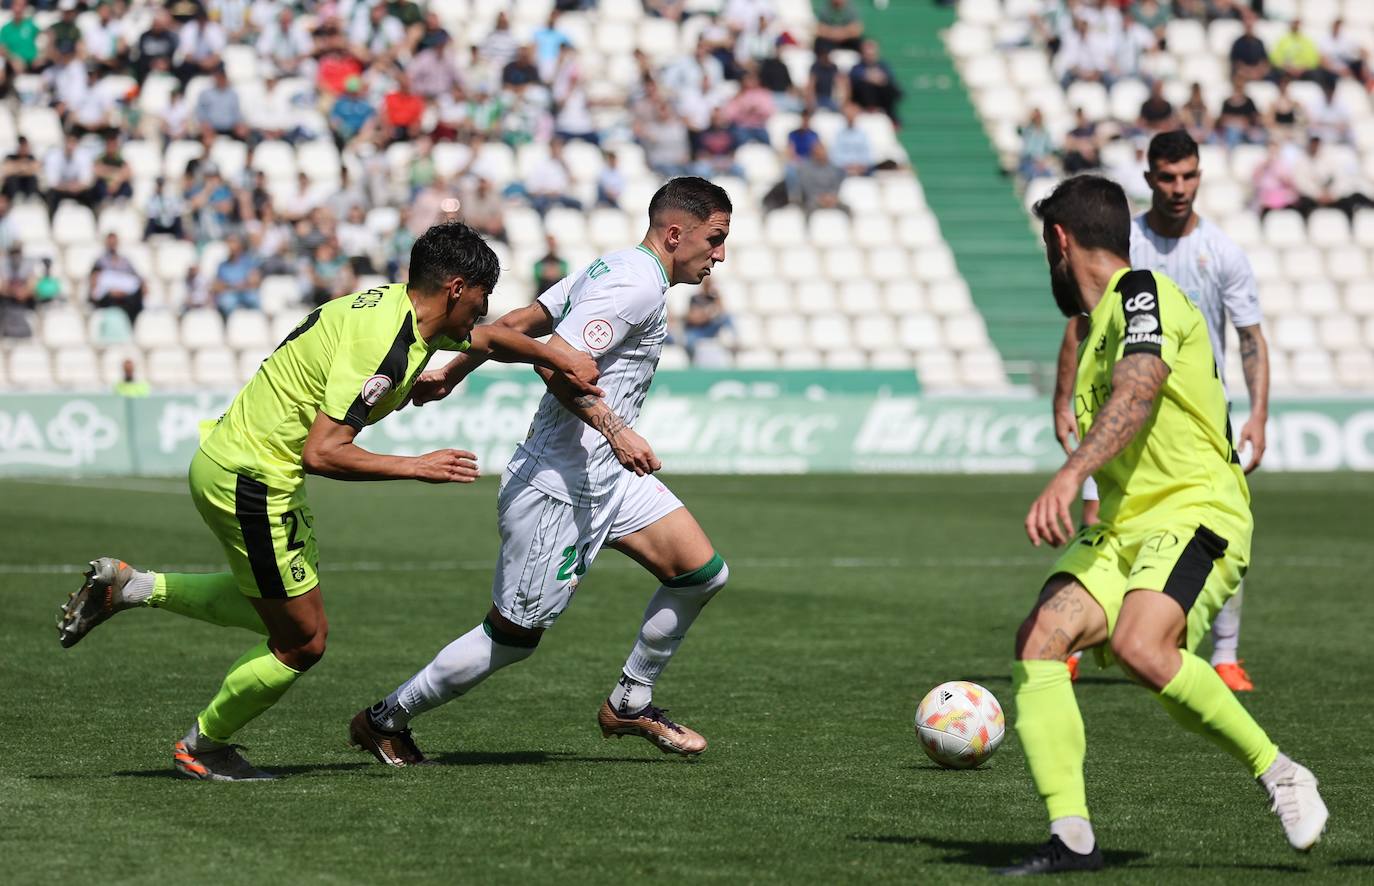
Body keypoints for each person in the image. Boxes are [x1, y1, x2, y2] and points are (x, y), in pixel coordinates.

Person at [57, 223, 603, 782]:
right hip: (254, 478)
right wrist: (416, 466)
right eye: (481, 300)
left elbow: (488, 341)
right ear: (457, 288)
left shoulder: (398, 308)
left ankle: (134, 587)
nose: (482, 314)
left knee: (273, 605)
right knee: (302, 640)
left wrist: (558, 358)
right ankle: (204, 746)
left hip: (241, 465)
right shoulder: (386, 346)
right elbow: (324, 452)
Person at [1001, 174, 1326, 875]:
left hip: (1197, 509)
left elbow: (1142, 387)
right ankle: (1072, 839)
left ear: (1060, 240)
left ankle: (1282, 774)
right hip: (1124, 528)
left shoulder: (1140, 291)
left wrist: (1068, 472)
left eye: (1046, 248)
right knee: (1041, 641)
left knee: (1142, 645)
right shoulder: (1094, 333)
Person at [349, 178, 734, 768]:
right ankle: (385, 718)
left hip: (607, 475)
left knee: (700, 572)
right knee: (513, 637)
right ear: (675, 233)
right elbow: (557, 365)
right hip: (560, 485)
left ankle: (630, 700)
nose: (720, 255)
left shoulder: (616, 267)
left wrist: (455, 370)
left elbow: (522, 319)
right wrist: (617, 429)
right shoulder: (632, 288)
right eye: (715, 239)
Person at [1055, 130, 1270, 692]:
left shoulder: (1223, 252)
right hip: (1116, 397)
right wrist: (1063, 396)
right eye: (1168, 177)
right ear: (1150, 179)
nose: (1179, 187)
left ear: (1200, 176)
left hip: (1190, 409)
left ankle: (1224, 654)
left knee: (1208, 530)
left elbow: (1250, 338)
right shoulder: (1128, 245)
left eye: (1189, 176)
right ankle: (1085, 635)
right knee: (1098, 513)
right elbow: (1081, 320)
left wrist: (1258, 414)